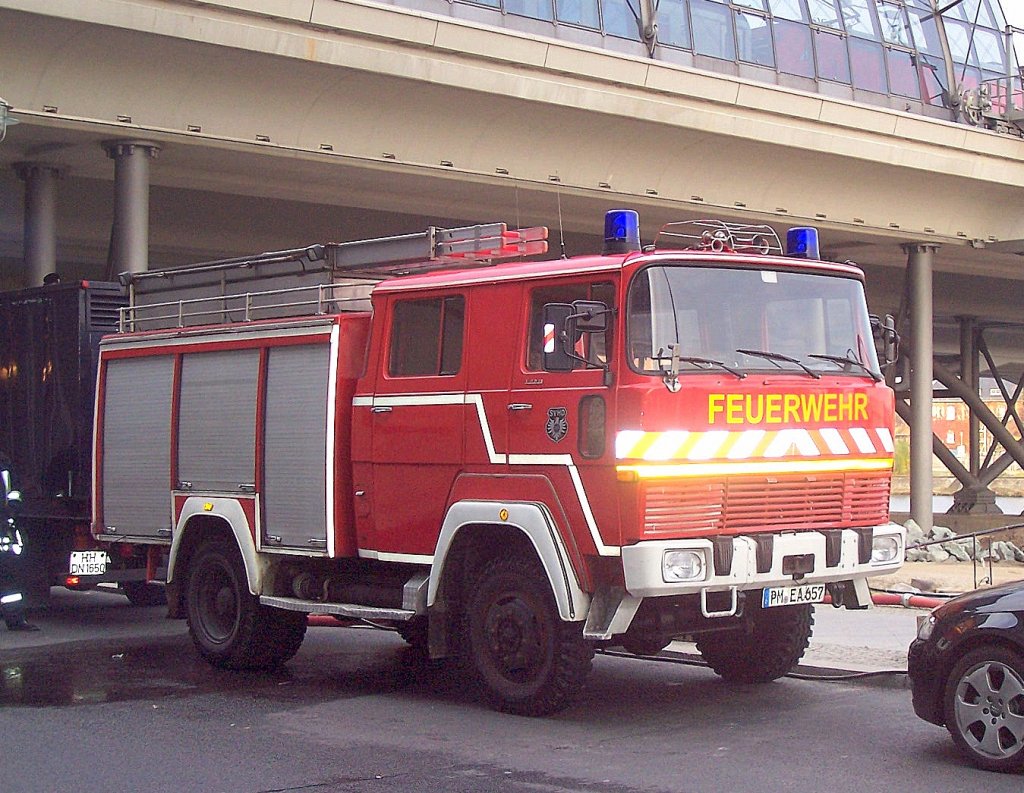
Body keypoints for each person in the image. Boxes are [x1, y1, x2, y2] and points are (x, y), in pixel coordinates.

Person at [0, 454, 39, 631]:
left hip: (4, 533)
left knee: (10, 582)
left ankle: (15, 620)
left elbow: (14, 493)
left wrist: (12, 511)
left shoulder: (5, 465)